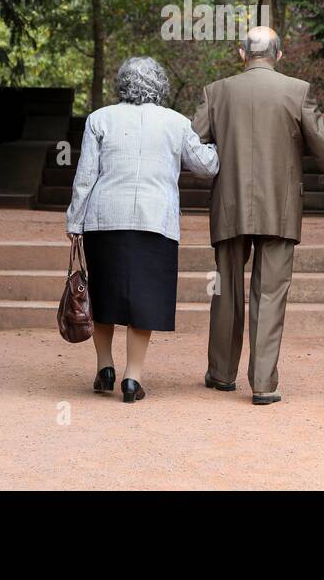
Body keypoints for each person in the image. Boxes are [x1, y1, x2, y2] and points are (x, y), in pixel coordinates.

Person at [192, 26, 324, 405]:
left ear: (241, 54)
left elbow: (190, 144)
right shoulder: (297, 91)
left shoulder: (216, 92)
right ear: (279, 55)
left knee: (226, 288)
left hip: (228, 204)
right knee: (270, 293)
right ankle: (264, 383)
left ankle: (221, 373)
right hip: (279, 208)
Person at [65, 56, 219, 404]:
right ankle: (132, 378)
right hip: (155, 222)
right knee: (144, 298)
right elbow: (206, 166)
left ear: (121, 84)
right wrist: (225, 146)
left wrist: (74, 222)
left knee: (102, 293)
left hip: (104, 220)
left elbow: (86, 177)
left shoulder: (99, 119)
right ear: (160, 86)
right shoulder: (176, 123)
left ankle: (105, 367)